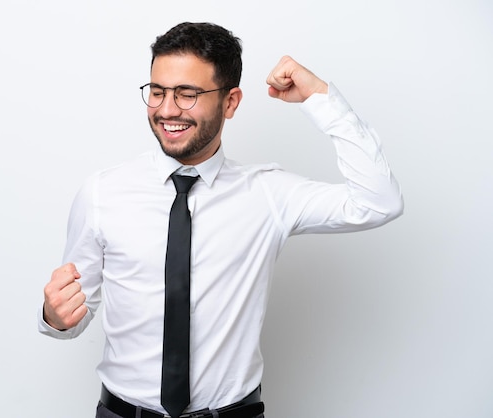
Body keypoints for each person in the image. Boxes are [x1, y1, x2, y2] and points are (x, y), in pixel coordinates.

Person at [38, 22, 403, 418]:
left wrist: (320, 97)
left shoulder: (268, 195)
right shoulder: (102, 193)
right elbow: (73, 315)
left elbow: (379, 201)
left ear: (230, 102)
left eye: (187, 94)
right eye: (157, 91)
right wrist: (54, 317)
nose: (166, 109)